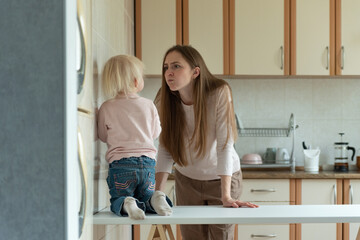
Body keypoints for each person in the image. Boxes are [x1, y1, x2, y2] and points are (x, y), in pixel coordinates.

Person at [154, 45, 258, 239]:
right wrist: (157, 194)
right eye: (166, 67)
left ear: (195, 72)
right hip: (186, 181)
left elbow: (225, 145)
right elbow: (165, 147)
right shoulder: (164, 98)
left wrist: (226, 196)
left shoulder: (219, 92)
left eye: (176, 66)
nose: (169, 72)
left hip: (222, 180)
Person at [97, 55, 173, 220]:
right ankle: (156, 197)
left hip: (121, 165)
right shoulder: (148, 104)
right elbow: (155, 133)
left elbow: (102, 136)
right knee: (146, 197)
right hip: (147, 163)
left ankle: (126, 202)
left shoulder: (106, 107)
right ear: (136, 81)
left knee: (119, 198)